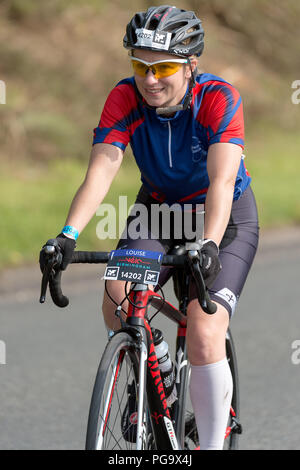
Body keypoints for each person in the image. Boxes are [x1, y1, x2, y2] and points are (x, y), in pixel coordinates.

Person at [40, 5, 259, 450]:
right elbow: (101, 171)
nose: (150, 79)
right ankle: (150, 364)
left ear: (191, 64)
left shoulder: (219, 98)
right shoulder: (124, 98)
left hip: (223, 215)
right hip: (159, 209)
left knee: (203, 331)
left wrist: (210, 244)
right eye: (140, 65)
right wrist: (67, 235)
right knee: (117, 294)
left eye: (162, 67)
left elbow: (220, 183)